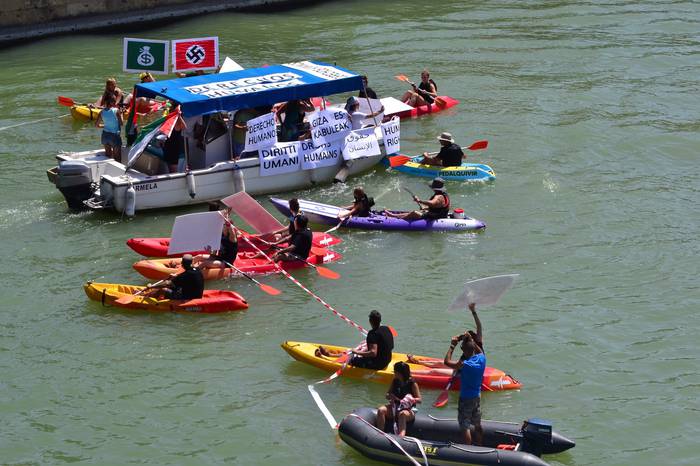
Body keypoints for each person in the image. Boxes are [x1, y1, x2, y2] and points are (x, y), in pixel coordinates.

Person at [407, 303, 483, 369]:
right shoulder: (471, 348)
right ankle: (418, 362)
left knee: (435, 371)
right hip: (460, 367)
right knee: (439, 363)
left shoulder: (477, 344)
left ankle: (417, 363)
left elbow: (479, 326)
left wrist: (473, 311)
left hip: (462, 370)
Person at [444, 332, 486, 445]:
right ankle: (479, 445)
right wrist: (470, 339)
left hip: (466, 398)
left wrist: (452, 345)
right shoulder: (482, 358)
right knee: (477, 424)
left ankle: (468, 448)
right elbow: (477, 349)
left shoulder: (465, 364)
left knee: (464, 425)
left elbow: (446, 362)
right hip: (477, 396)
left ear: (463, 350)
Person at [317, 310, 394, 370]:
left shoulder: (372, 333)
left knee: (352, 358)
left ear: (370, 321)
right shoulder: (387, 328)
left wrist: (356, 352)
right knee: (354, 352)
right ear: (380, 320)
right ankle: (331, 355)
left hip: (378, 364)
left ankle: (326, 358)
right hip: (387, 360)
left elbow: (373, 353)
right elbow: (391, 346)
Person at [376, 362, 421, 436]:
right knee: (381, 410)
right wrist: (391, 396)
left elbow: (419, 400)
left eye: (395, 371)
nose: (394, 373)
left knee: (402, 414)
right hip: (395, 407)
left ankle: (401, 436)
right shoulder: (395, 381)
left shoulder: (412, 383)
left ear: (400, 373)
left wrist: (410, 399)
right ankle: (380, 434)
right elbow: (387, 395)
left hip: (408, 410)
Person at [384, 177, 450, 221]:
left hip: (436, 217)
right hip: (437, 214)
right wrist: (424, 207)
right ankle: (393, 215)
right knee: (414, 212)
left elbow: (432, 203)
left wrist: (419, 201)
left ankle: (395, 219)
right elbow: (436, 206)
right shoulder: (443, 195)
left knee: (414, 213)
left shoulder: (438, 197)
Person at [95, 92, 123, 161]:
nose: (116, 102)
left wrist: (105, 126)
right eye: (114, 100)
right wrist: (121, 113)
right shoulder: (116, 110)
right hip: (114, 136)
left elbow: (96, 125)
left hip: (105, 136)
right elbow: (121, 123)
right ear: (112, 102)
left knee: (108, 157)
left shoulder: (101, 112)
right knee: (117, 159)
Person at [162, 106, 187, 173]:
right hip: (167, 145)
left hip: (174, 147)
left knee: (173, 168)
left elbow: (184, 127)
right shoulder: (169, 119)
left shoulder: (178, 121)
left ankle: (175, 178)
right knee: (169, 166)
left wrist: (179, 115)